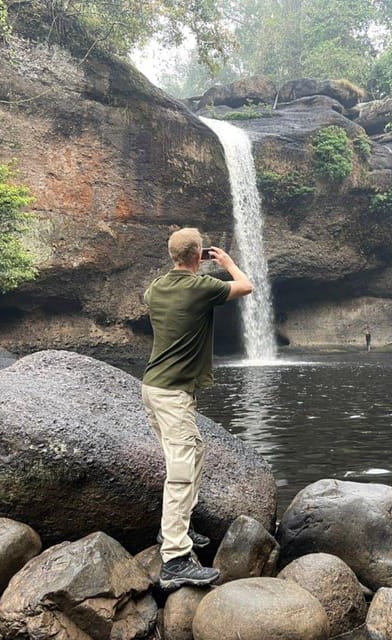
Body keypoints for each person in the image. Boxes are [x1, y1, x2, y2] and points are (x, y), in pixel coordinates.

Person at [141, 227, 253, 590]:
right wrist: (227, 262)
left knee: (195, 451)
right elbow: (246, 286)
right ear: (198, 256)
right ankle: (174, 558)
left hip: (152, 388)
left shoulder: (155, 289)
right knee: (181, 471)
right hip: (173, 395)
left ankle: (179, 525)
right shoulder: (201, 288)